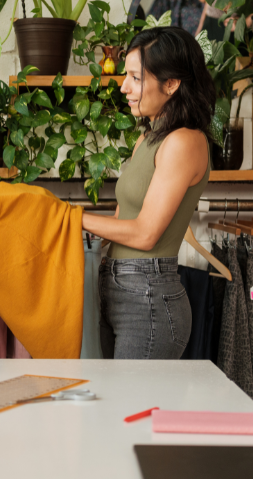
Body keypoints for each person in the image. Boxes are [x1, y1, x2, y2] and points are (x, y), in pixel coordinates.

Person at [82, 26, 215, 360]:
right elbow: (122, 218)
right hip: (116, 290)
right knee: (117, 408)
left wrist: (71, 217)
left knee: (133, 409)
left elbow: (144, 234)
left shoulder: (185, 142)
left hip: (148, 300)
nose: (124, 86)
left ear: (171, 84)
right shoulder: (148, 139)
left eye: (136, 78)